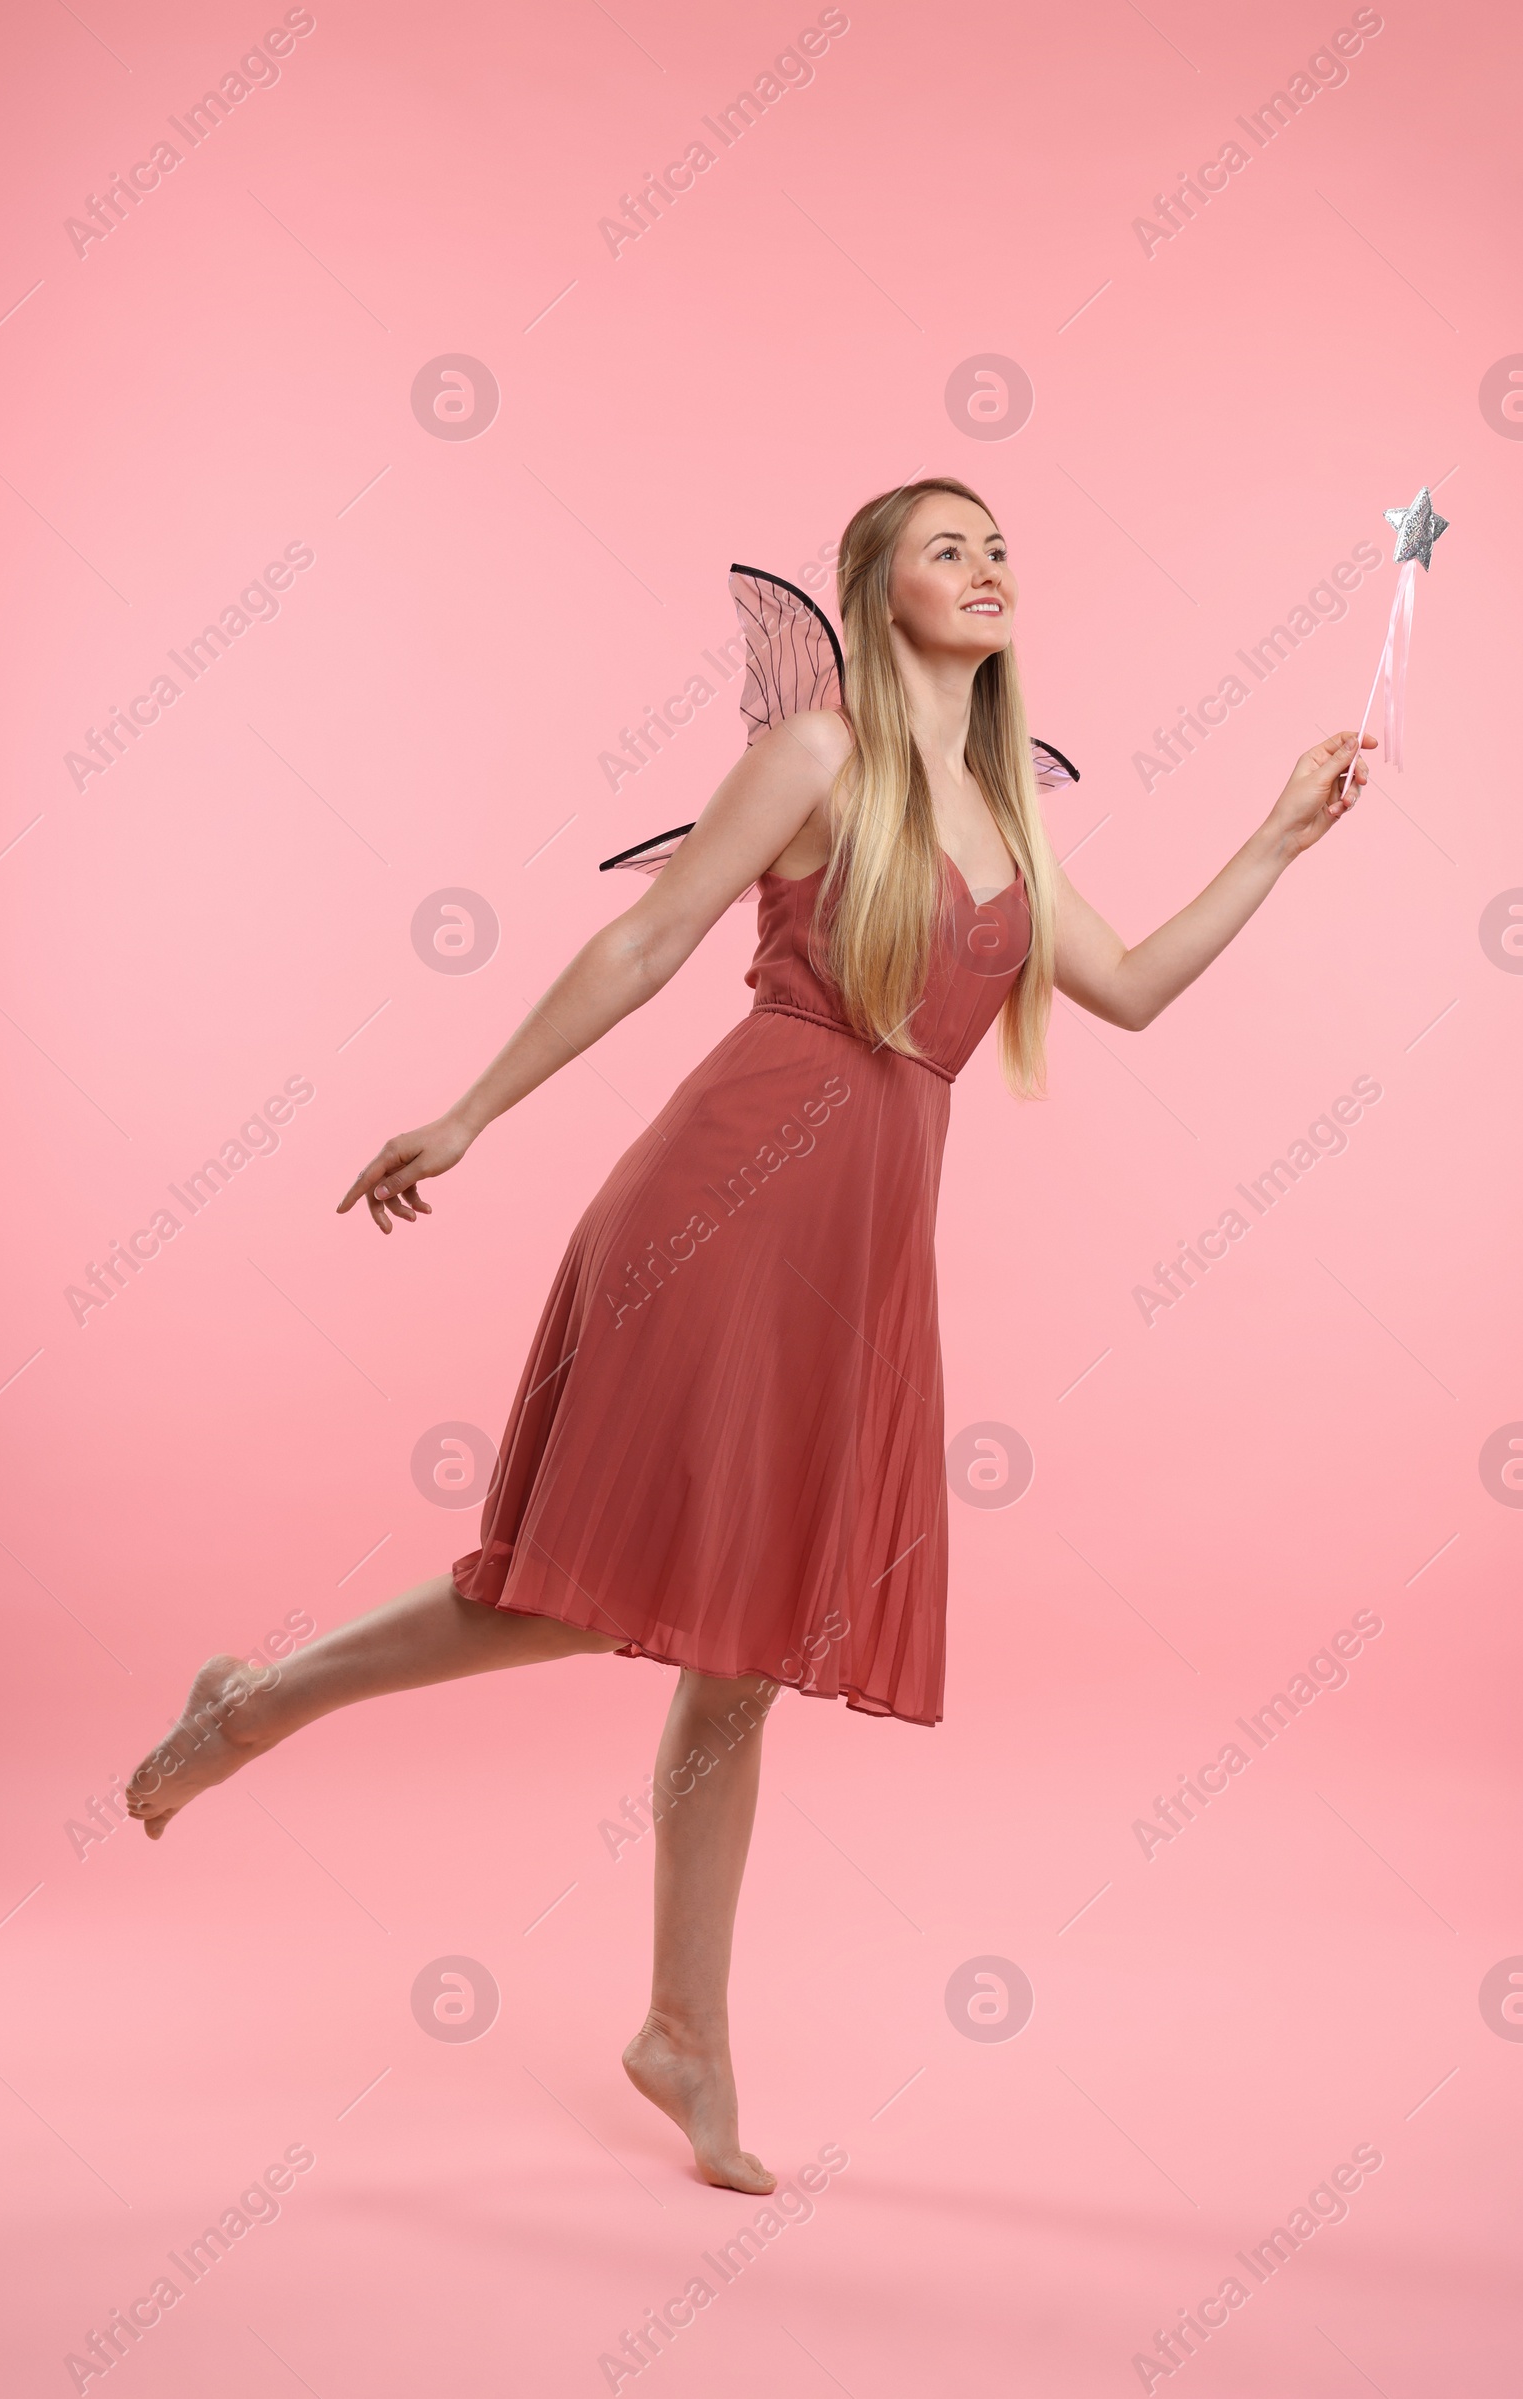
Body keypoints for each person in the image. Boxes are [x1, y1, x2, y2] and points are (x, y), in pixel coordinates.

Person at [126, 476, 1372, 2193]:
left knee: (749, 1649)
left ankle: (680, 2033)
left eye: (1000, 540)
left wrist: (1281, 835)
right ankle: (261, 1705)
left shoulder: (1010, 817)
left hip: (863, 1245)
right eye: (948, 546)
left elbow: (1139, 984)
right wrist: (472, 1111)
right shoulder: (814, 764)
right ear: (872, 594)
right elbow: (647, 938)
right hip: (722, 1204)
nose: (989, 564)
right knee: (577, 1585)